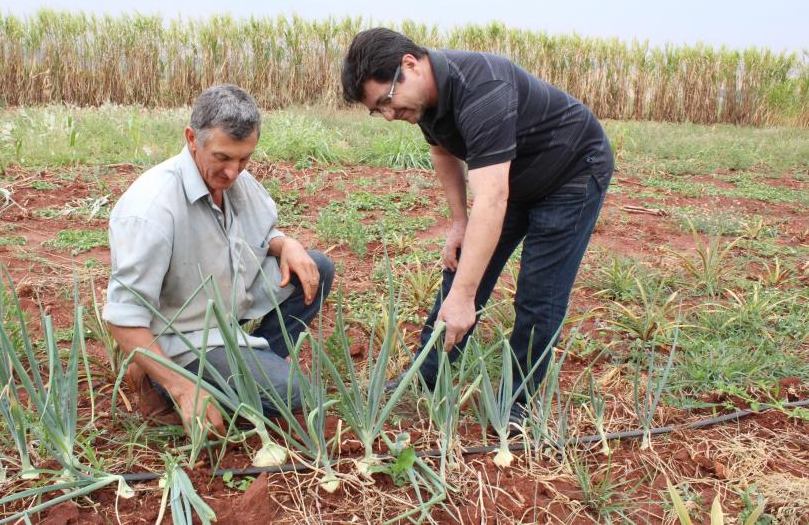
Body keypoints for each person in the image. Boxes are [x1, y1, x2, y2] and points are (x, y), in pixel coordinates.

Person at [341, 28, 613, 417]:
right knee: (461, 271)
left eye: (386, 101)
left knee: (538, 294)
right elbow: (442, 151)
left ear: (410, 65)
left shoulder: (483, 89)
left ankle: (516, 403)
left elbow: (492, 197)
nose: (388, 115)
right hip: (512, 176)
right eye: (377, 109)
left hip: (571, 172)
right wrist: (458, 223)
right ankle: (426, 379)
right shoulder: (423, 98)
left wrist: (466, 298)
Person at [103, 84, 334, 434]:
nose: (233, 172)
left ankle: (248, 366)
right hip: (184, 338)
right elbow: (123, 318)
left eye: (244, 159)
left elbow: (260, 234)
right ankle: (161, 379)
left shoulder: (236, 182)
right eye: (223, 158)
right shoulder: (152, 209)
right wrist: (183, 389)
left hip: (225, 312)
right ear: (192, 138)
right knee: (294, 394)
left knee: (317, 268)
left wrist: (286, 244)